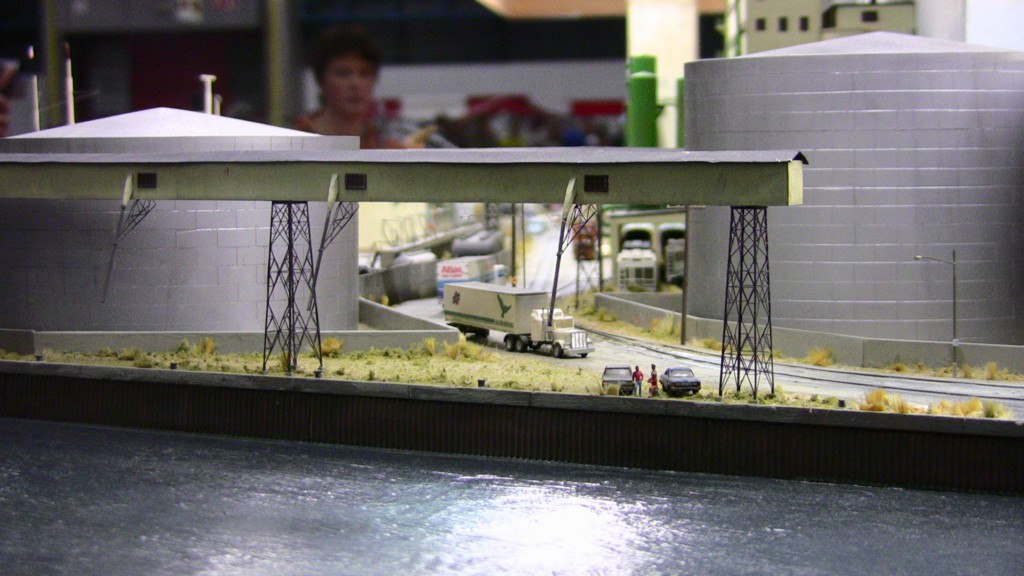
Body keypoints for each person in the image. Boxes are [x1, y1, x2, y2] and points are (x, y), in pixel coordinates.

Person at [294, 26, 450, 149]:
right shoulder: (292, 138)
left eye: (364, 73)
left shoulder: (400, 134)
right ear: (321, 81)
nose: (355, 84)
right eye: (343, 73)